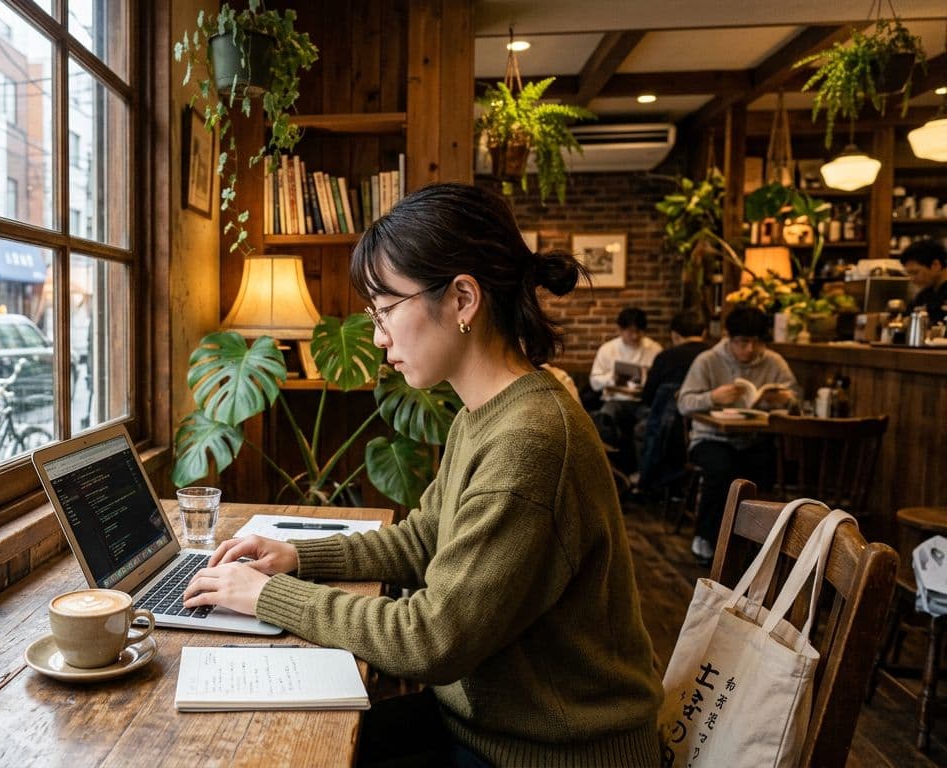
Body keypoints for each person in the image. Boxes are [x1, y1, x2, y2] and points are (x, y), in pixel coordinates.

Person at [182, 183, 662, 766]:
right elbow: (422, 538)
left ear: (463, 298)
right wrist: (298, 557)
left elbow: (430, 639)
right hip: (490, 726)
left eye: (386, 309)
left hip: (549, 753)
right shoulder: (486, 413)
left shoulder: (531, 440)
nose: (379, 335)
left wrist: (268, 596)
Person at [678, 306, 798, 562]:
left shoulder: (774, 362)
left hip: (753, 438)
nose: (750, 349)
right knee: (722, 469)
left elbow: (795, 398)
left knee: (768, 467)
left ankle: (757, 543)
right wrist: (712, 397)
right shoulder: (708, 360)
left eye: (756, 342)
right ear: (728, 337)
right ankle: (706, 536)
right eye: (743, 342)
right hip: (710, 437)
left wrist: (784, 399)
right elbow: (684, 403)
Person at [636, 309, 710, 496]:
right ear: (704, 333)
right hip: (704, 432)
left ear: (675, 335)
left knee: (638, 429)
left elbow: (647, 397)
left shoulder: (665, 357)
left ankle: (646, 483)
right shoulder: (713, 357)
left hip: (665, 434)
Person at [589, 308, 662, 475]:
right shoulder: (608, 349)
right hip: (614, 399)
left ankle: (643, 476)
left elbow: (658, 381)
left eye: (639, 332)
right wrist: (613, 378)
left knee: (650, 424)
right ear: (620, 330)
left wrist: (645, 379)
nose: (635, 336)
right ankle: (609, 473)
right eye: (630, 332)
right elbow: (594, 382)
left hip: (641, 401)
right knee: (605, 419)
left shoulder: (654, 349)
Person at [902, 239, 947, 324]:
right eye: (909, 273)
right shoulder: (925, 294)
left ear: (935, 265)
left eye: (915, 272)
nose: (912, 279)